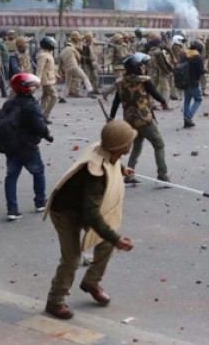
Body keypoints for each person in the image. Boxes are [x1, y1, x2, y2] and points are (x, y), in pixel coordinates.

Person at [43, 120, 138, 320]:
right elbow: (92, 214)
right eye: (129, 141)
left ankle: (91, 282)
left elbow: (110, 161)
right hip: (65, 213)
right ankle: (55, 301)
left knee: (106, 242)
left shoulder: (102, 149)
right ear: (122, 146)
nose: (132, 143)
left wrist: (121, 169)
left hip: (82, 208)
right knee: (72, 258)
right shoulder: (95, 175)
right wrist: (117, 239)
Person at [0, 73, 53, 220]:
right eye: (31, 85)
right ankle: (40, 202)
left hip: (11, 146)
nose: (34, 87)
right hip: (28, 146)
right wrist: (48, 133)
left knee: (11, 176)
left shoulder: (9, 104)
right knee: (38, 172)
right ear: (25, 88)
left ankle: (12, 209)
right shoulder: (32, 105)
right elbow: (39, 125)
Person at [110, 53, 170, 184]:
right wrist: (163, 102)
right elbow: (155, 93)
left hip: (129, 120)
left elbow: (116, 101)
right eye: (141, 65)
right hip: (144, 118)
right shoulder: (144, 80)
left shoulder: (121, 82)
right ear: (136, 67)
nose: (143, 67)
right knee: (159, 144)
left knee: (137, 145)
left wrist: (111, 117)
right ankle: (162, 175)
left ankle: (129, 175)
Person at [182, 40, 206, 128]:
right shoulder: (198, 58)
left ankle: (186, 119)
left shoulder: (185, 55)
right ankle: (188, 117)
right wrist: (205, 70)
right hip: (194, 81)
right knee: (198, 99)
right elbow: (201, 72)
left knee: (187, 100)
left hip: (184, 82)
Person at [36, 37, 59, 124]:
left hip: (49, 78)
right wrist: (38, 80)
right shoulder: (43, 55)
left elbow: (50, 67)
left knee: (45, 97)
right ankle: (45, 115)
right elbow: (40, 68)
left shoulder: (47, 54)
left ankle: (41, 116)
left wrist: (56, 74)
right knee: (54, 96)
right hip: (46, 80)